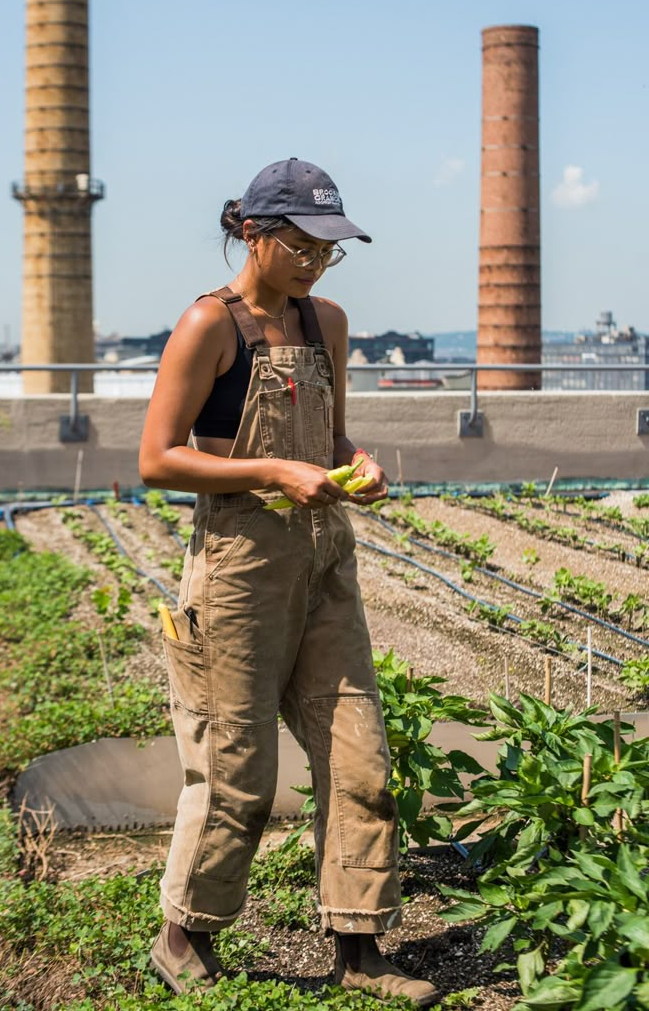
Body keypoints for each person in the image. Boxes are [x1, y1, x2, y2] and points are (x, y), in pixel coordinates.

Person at [138, 158, 439, 1006]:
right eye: (300, 245)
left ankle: (360, 946)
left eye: (328, 249)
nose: (313, 262)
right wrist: (273, 469)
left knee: (360, 756)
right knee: (237, 767)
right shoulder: (211, 325)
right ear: (254, 234)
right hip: (238, 568)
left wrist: (356, 464)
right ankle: (184, 934)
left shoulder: (326, 321)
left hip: (324, 560)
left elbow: (333, 436)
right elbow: (157, 458)